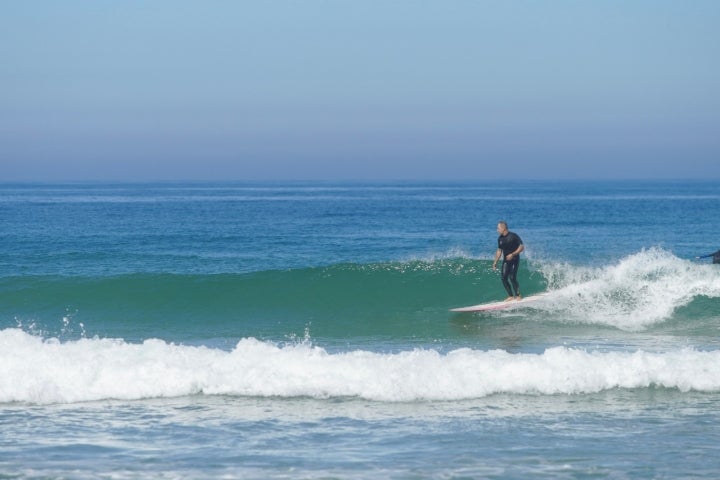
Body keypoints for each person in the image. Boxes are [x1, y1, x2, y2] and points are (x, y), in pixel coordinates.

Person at [492, 221, 525, 301]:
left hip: (514, 259)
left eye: (498, 228)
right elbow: (499, 250)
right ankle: (510, 296)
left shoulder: (513, 236)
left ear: (503, 228)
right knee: (503, 278)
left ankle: (518, 295)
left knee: (512, 277)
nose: (497, 230)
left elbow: (522, 247)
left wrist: (513, 254)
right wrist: (495, 261)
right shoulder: (500, 239)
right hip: (506, 261)